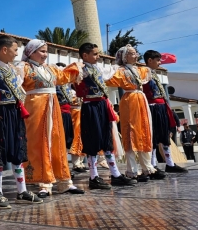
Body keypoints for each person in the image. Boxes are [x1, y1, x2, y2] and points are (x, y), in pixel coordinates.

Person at [20, 40, 84, 198]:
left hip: (53, 108)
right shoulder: (23, 68)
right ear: (31, 52)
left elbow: (63, 77)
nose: (45, 54)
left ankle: (64, 182)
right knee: (39, 143)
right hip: (35, 110)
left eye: (46, 51)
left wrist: (77, 67)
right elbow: (15, 86)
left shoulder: (50, 69)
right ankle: (43, 182)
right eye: (41, 51)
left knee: (57, 141)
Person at [0, 35, 43, 209]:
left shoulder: (14, 69)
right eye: (15, 49)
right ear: (4, 49)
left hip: (14, 111)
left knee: (18, 148)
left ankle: (22, 190)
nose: (18, 53)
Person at [75, 43, 135, 190]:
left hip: (102, 105)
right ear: (85, 55)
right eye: (95, 54)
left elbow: (110, 72)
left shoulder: (98, 68)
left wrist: (119, 64)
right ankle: (94, 177)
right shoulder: (79, 69)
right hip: (90, 106)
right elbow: (73, 80)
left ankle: (115, 174)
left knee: (107, 140)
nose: (98, 56)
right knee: (92, 141)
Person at [106, 45, 165, 183]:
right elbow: (108, 78)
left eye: (135, 53)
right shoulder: (120, 71)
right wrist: (114, 68)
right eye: (132, 54)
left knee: (144, 130)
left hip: (141, 98)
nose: (136, 55)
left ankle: (147, 167)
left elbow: (150, 72)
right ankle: (132, 170)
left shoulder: (140, 70)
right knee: (130, 131)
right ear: (125, 56)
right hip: (130, 99)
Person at [142, 50, 188, 174]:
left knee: (164, 135)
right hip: (152, 107)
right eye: (157, 60)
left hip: (161, 106)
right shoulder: (143, 73)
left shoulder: (154, 73)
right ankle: (152, 165)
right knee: (154, 136)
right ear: (149, 60)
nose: (160, 62)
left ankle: (170, 163)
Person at [56, 64, 86, 173]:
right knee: (61, 140)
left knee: (69, 140)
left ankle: (67, 167)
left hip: (68, 114)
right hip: (60, 113)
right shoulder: (56, 83)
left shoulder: (67, 86)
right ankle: (62, 167)